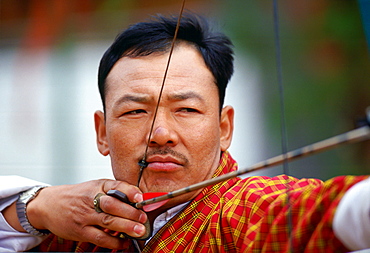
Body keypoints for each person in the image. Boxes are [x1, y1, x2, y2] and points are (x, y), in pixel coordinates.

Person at [0, 13, 369, 253]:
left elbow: (326, 213)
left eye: (187, 109)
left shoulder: (245, 211)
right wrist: (34, 206)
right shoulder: (74, 229)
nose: (161, 134)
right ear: (101, 132)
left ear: (224, 128)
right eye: (135, 111)